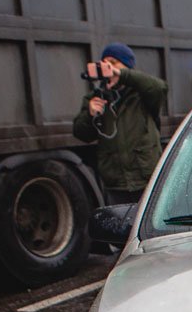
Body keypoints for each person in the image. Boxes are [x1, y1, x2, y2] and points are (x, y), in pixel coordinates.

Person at [72, 43, 168, 205]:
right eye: (105, 62)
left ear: (127, 67)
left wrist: (122, 75)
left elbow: (159, 88)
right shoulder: (97, 97)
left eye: (114, 62)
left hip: (146, 178)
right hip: (116, 183)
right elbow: (81, 134)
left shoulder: (141, 95)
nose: (109, 67)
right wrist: (90, 114)